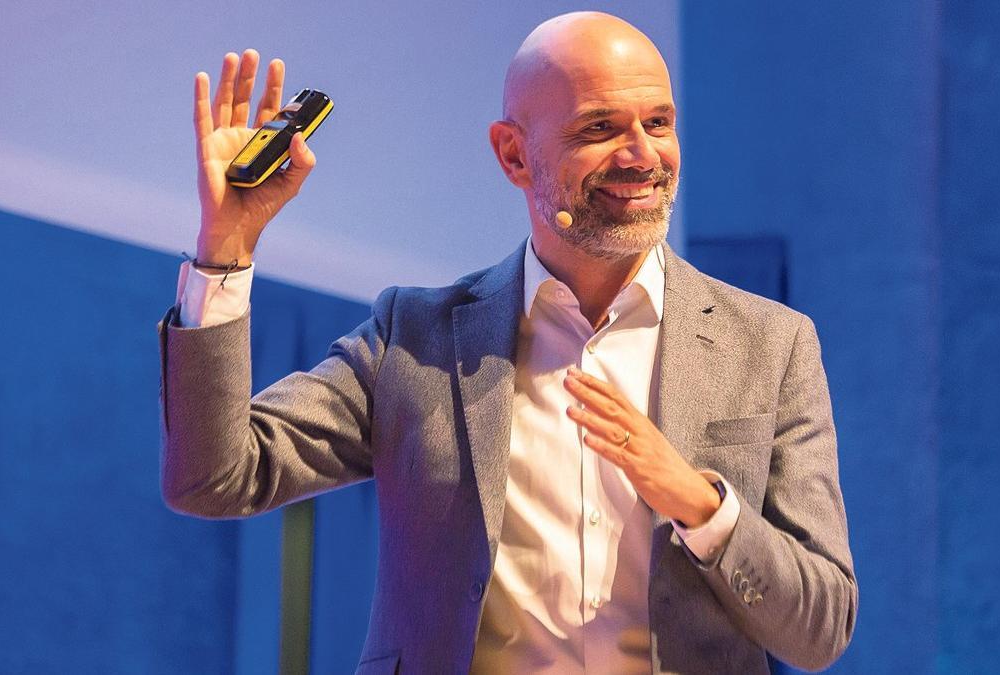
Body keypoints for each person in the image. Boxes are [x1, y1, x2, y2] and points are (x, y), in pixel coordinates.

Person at [160, 11, 856, 674]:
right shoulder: (416, 340)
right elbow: (214, 477)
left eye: (659, 122)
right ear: (514, 154)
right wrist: (223, 249)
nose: (642, 153)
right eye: (600, 127)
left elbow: (821, 626)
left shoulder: (770, 345)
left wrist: (702, 506)